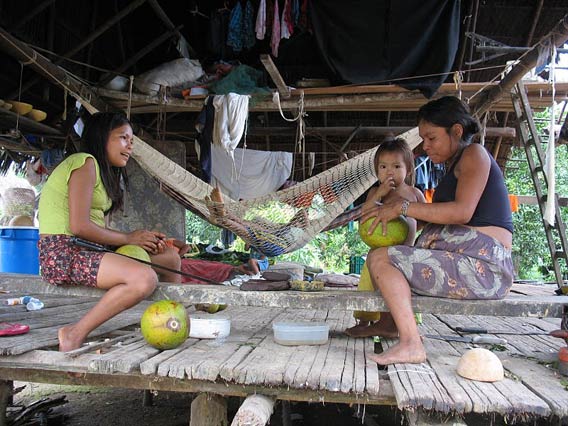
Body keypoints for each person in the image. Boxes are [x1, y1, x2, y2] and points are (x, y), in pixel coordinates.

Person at [360, 96, 513, 365]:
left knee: (380, 258)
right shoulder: (453, 165)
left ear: (456, 130)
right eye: (423, 138)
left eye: (431, 138)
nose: (425, 146)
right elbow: (440, 219)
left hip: (485, 268)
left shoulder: (474, 154)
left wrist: (403, 208)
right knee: (382, 258)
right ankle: (390, 326)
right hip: (469, 263)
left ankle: (410, 343)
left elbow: (461, 212)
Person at [38, 112, 182, 352]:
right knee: (144, 278)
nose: (129, 146)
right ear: (103, 136)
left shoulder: (102, 174)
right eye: (123, 138)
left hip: (88, 249)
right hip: (63, 253)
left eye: (131, 141)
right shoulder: (85, 163)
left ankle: (170, 323)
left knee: (170, 258)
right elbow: (79, 226)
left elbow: (97, 229)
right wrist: (128, 238)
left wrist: (142, 241)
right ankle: (74, 333)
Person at [346, 138, 425, 337]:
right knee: (368, 287)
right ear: (376, 170)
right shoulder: (375, 192)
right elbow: (364, 215)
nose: (389, 171)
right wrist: (378, 195)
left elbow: (426, 219)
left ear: (408, 169)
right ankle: (365, 322)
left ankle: (404, 325)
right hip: (377, 253)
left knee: (401, 290)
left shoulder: (414, 194)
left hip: (404, 255)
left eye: (396, 166)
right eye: (383, 166)